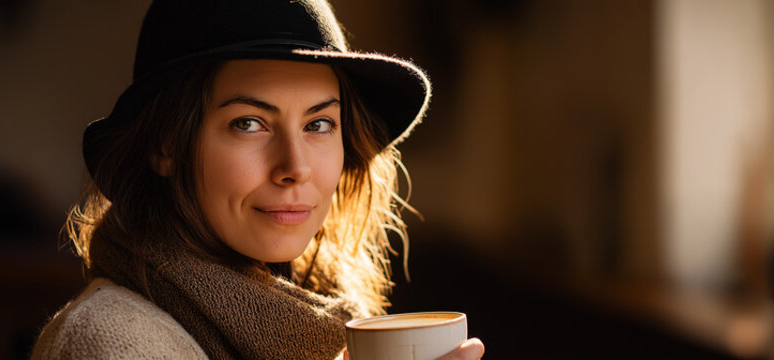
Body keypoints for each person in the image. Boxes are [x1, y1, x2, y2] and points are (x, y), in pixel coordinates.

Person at [30, 0, 484, 359]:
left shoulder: (314, 333)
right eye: (249, 123)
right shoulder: (111, 341)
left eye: (319, 124)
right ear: (164, 147)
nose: (296, 167)